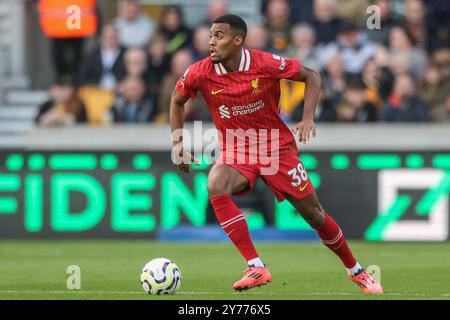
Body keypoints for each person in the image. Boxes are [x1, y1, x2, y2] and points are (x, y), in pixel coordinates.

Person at [169, 14, 383, 294]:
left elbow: (312, 76)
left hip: (276, 148)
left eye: (218, 36)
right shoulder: (200, 71)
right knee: (215, 183)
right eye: (210, 35)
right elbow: (176, 99)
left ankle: (356, 271)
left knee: (315, 215)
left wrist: (308, 118)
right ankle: (256, 266)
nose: (211, 41)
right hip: (238, 147)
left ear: (237, 40)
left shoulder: (263, 63)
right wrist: (177, 143)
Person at [79, 25, 126, 90]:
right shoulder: (92, 55)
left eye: (114, 37)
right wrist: (96, 85)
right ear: (101, 38)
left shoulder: (126, 54)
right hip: (97, 91)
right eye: (108, 38)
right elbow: (82, 77)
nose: (111, 41)